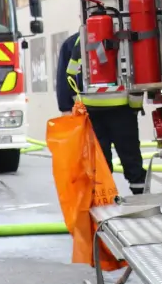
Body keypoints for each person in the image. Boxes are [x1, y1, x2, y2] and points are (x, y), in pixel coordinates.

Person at [55, 32, 146, 195]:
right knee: (130, 156)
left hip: (91, 112)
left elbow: (65, 78)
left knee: (99, 161)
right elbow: (138, 70)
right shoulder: (125, 36)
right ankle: (139, 194)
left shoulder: (74, 42)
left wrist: (67, 108)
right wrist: (135, 106)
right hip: (122, 110)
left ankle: (103, 197)